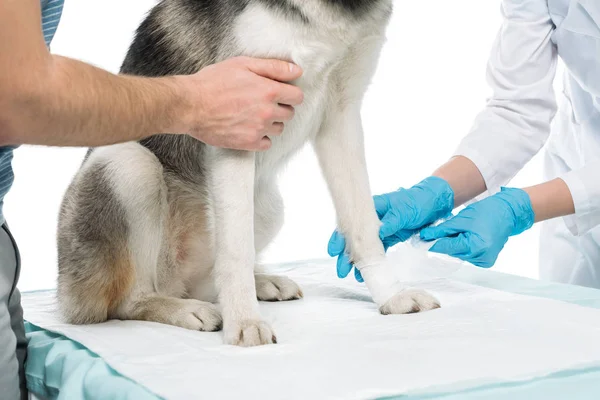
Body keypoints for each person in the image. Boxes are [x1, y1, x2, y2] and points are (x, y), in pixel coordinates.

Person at [0, 1, 304, 398]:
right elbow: (16, 95)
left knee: (268, 203)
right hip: (109, 260)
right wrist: (194, 102)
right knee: (124, 163)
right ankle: (136, 298)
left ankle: (212, 277)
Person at [329, 0, 600, 287]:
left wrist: (520, 208)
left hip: (572, 192)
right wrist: (436, 192)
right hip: (581, 152)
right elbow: (518, 109)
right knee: (571, 314)